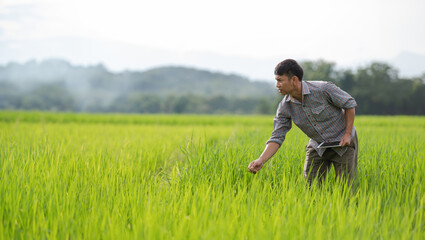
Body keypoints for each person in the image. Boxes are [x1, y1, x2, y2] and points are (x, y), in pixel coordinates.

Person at [248, 59, 358, 187]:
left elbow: (350, 104)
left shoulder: (323, 89)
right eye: (276, 81)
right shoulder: (285, 107)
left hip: (343, 143)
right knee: (311, 188)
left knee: (345, 188)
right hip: (318, 146)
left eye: (280, 80)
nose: (277, 85)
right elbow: (277, 136)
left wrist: (348, 133)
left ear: (294, 80)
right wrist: (261, 160)